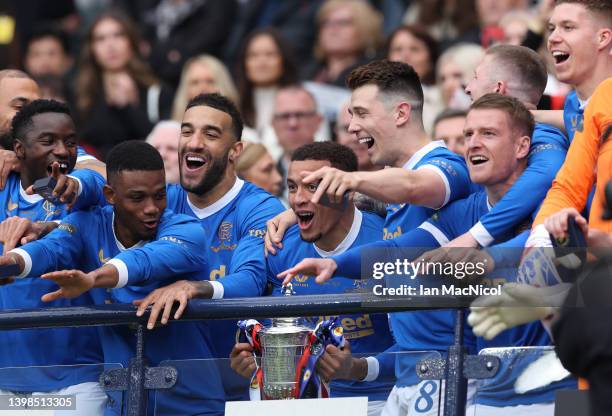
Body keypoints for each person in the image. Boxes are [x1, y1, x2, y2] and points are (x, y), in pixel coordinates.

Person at [280, 94, 570, 415]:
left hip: (551, 382)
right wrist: (335, 263)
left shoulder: (556, 202)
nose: (472, 143)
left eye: (488, 134)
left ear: (521, 147)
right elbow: (395, 251)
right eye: (469, 134)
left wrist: (485, 259)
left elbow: (559, 255)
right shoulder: (465, 211)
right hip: (491, 387)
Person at [266, 59, 471, 415]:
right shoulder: (390, 192)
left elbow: (415, 186)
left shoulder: (445, 166)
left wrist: (353, 179)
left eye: (361, 112)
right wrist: (299, 206)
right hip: (410, 378)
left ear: (401, 113)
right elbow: (390, 198)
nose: (351, 125)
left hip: (447, 375)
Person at [1, 140, 225, 415]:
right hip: (120, 405)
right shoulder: (87, 222)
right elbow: (49, 249)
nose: (152, 207)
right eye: (137, 197)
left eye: (159, 195)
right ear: (110, 195)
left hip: (190, 404)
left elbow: (142, 262)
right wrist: (8, 264)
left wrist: (93, 279)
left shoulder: (187, 230)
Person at [133, 93, 285, 402]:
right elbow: (104, 188)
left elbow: (251, 279)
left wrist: (194, 287)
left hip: (238, 390)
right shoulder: (163, 201)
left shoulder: (259, 206)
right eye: (187, 131)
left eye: (210, 134)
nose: (194, 142)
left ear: (235, 151)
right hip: (168, 390)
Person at [229, 142, 395, 416]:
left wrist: (357, 368)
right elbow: (271, 335)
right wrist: (255, 360)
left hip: (378, 401)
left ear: (348, 189)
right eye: (293, 187)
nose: (298, 199)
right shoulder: (280, 247)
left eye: (313, 186)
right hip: (297, 403)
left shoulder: (389, 242)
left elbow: (419, 347)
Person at [0, 99, 108, 415]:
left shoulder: (80, 191)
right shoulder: (4, 184)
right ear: (19, 149)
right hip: (5, 386)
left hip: (73, 383)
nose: (62, 150)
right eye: (48, 142)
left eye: (70, 142)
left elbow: (98, 181)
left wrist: (74, 184)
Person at [444, 44, 569, 249]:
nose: (467, 88)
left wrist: (476, 236)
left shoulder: (540, 133)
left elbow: (547, 171)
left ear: (498, 89)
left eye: (475, 77)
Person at [72, 10, 174, 159]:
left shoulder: (157, 91)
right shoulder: (79, 92)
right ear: (91, 48)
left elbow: (163, 145)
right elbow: (83, 143)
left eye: (118, 35)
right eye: (101, 39)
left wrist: (129, 107)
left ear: (131, 42)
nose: (110, 45)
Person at [0, 70, 106, 183]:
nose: (31, 115)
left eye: (37, 107)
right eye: (20, 107)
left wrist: (28, 163)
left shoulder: (56, 150)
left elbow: (107, 177)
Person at [304, 0, 382, 87]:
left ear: (364, 29)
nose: (333, 29)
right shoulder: (305, 71)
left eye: (343, 23)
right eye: (326, 23)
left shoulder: (372, 76)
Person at [272, 85, 324, 197]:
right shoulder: (260, 181)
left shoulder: (340, 173)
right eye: (285, 116)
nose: (293, 124)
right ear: (273, 124)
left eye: (300, 115)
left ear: (318, 121)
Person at [170, 54, 239, 122]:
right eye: (195, 82)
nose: (203, 88)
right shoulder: (171, 131)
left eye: (210, 81)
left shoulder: (245, 133)